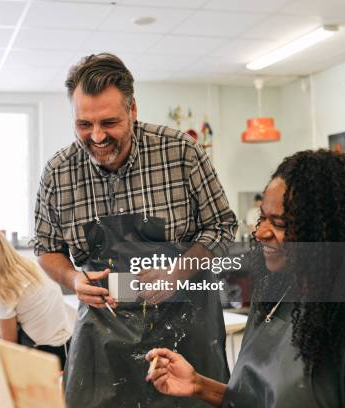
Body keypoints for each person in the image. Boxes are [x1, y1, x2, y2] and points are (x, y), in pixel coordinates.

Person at [34, 53, 237, 406]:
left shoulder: (181, 153)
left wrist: (176, 272)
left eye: (109, 122)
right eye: (84, 124)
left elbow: (221, 225)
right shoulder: (58, 172)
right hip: (104, 329)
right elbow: (46, 247)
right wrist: (73, 280)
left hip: (185, 321)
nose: (97, 136)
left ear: (133, 110)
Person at [146, 149, 345, 407]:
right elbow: (255, 399)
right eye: (263, 217)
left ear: (324, 232)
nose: (261, 232)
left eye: (280, 223)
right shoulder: (275, 296)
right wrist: (198, 384)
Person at [0, 225, 73, 367]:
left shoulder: (4, 289)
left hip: (44, 354)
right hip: (66, 346)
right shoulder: (28, 265)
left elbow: (8, 344)